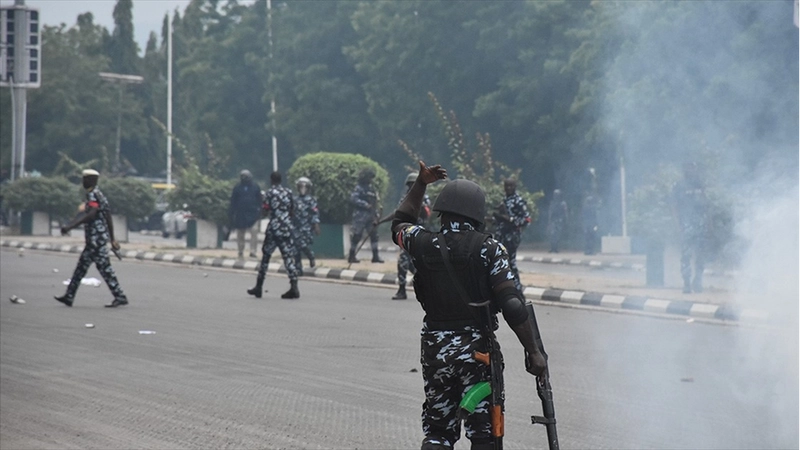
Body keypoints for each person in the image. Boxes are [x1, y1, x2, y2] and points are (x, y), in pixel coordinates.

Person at [392, 161, 547, 450]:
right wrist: (534, 351)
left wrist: (421, 183)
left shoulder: (422, 242)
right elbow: (512, 306)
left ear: (441, 211)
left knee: (438, 432)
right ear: (477, 214)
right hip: (478, 356)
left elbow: (399, 223)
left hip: (435, 351)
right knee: (485, 436)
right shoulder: (490, 249)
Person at [55, 169, 128, 308]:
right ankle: (69, 296)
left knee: (104, 269)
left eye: (85, 179)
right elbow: (108, 216)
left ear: (92, 180)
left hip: (96, 240)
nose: (83, 182)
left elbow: (91, 215)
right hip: (96, 239)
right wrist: (112, 238)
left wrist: (71, 226)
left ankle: (120, 296)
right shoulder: (99, 194)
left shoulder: (93, 195)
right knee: (81, 268)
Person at [377, 172, 431, 300]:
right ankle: (402, 289)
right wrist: (381, 221)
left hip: (420, 234)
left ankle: (428, 286)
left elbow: (428, 213)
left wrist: (420, 203)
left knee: (416, 263)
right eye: (411, 185)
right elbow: (397, 213)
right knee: (403, 261)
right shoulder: (405, 198)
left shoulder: (425, 198)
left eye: (415, 184)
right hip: (407, 234)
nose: (412, 187)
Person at [248, 171, 300, 299]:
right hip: (286, 228)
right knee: (288, 257)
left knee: (266, 256)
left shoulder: (269, 193)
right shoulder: (288, 192)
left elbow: (265, 211)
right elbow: (293, 210)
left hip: (274, 229)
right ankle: (294, 287)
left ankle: (259, 286)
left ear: (271, 180)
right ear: (281, 180)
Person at [672, 162, 709, 293]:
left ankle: (698, 280)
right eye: (688, 167)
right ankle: (686, 283)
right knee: (686, 255)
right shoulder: (679, 186)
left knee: (700, 254)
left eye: (693, 167)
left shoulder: (700, 184)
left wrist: (708, 221)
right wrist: (678, 225)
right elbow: (675, 207)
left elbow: (705, 203)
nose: (691, 170)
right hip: (686, 224)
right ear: (684, 169)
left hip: (700, 224)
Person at [492, 178, 531, 292]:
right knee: (501, 262)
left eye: (511, 186)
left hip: (512, 237)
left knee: (510, 263)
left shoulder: (518, 201)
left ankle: (517, 288)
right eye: (506, 186)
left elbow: (527, 219)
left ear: (515, 187)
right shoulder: (505, 200)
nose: (508, 188)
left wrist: (510, 220)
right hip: (502, 236)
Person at [348, 167, 383, 264]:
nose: (370, 180)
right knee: (357, 236)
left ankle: (375, 256)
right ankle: (351, 256)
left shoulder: (372, 189)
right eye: (369, 177)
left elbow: (375, 202)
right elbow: (353, 199)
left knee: (374, 235)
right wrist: (365, 204)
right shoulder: (359, 188)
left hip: (371, 215)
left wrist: (376, 214)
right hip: (360, 215)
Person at [229, 169, 263, 259]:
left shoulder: (255, 187)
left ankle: (253, 251)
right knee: (240, 234)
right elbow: (233, 201)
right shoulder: (237, 187)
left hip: (253, 213)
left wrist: (260, 211)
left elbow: (260, 200)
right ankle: (240, 251)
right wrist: (232, 213)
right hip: (241, 213)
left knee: (254, 232)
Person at [292, 176, 321, 276]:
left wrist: (316, 225)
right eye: (301, 187)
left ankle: (310, 256)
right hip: (296, 227)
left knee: (303, 245)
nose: (303, 189)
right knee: (295, 249)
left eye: (305, 187)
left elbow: (314, 213)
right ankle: (298, 268)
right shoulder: (294, 200)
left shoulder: (311, 200)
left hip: (306, 227)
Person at [547, 189, 568, 253]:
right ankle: (552, 247)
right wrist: (549, 221)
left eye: (557, 194)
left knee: (557, 235)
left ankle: (555, 248)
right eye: (555, 194)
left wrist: (565, 220)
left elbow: (565, 212)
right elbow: (550, 212)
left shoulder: (563, 203)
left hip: (559, 220)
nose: (555, 196)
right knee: (552, 234)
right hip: (553, 220)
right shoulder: (552, 203)